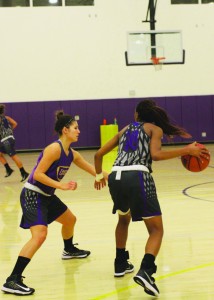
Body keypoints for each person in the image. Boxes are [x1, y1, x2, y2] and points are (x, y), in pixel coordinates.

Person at [94, 99, 209, 297]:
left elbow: (98, 154)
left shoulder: (125, 129)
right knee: (156, 230)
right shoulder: (155, 129)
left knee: (123, 219)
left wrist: (98, 176)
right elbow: (155, 155)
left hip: (116, 176)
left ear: (137, 114)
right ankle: (147, 270)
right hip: (137, 175)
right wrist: (186, 150)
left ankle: (120, 262)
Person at [1, 110, 107, 296]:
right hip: (33, 195)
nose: (79, 131)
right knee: (40, 235)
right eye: (75, 128)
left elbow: (93, 169)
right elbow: (38, 175)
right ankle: (12, 280)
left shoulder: (71, 153)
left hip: (47, 196)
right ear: (65, 130)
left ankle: (68, 250)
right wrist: (62, 186)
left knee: (70, 220)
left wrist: (116, 177)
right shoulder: (54, 148)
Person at [0, 104, 29, 181]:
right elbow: (15, 123)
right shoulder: (6, 117)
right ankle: (8, 169)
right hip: (8, 139)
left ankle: (23, 172)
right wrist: (10, 131)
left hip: (6, 140)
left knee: (13, 156)